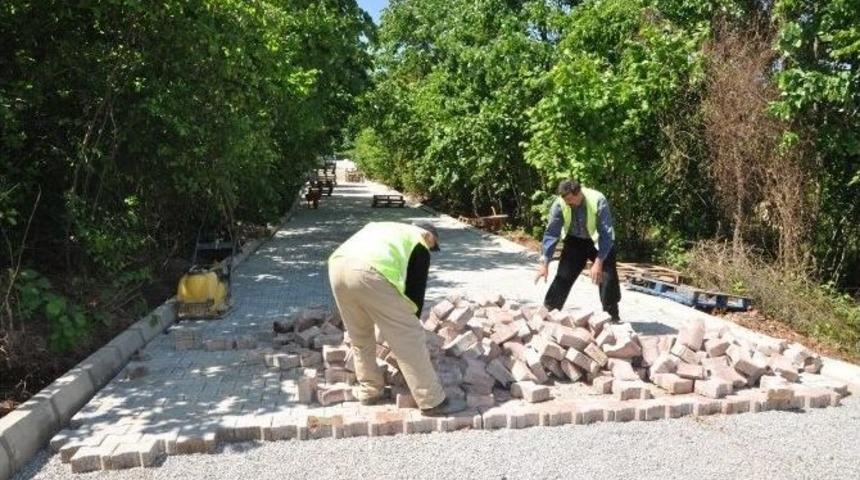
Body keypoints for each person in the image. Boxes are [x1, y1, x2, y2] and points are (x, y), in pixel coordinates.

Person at [328, 220, 466, 416]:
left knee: (360, 336)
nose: (430, 250)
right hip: (369, 272)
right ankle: (432, 402)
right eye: (432, 245)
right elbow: (414, 293)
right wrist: (410, 324)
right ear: (428, 235)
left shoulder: (385, 228)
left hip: (337, 266)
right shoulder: (419, 242)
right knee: (409, 338)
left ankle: (370, 390)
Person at [534, 179, 621, 320]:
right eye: (565, 200)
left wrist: (598, 262)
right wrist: (545, 263)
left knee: (607, 277)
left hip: (598, 242)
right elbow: (551, 233)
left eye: (570, 199)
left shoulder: (598, 200)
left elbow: (607, 234)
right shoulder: (560, 204)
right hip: (574, 242)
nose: (567, 203)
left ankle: (612, 317)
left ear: (578, 192)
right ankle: (549, 311)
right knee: (563, 276)